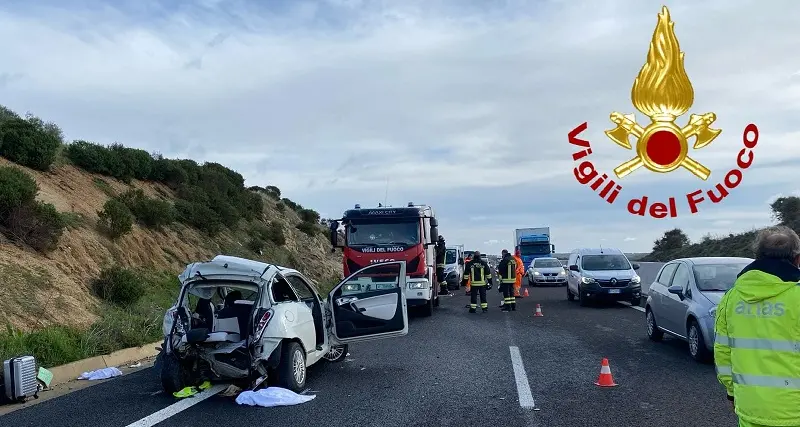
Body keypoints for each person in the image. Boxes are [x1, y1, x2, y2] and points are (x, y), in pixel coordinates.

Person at [714, 225, 800, 427]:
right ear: (797, 259)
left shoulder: (731, 298)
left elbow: (723, 354)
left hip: (750, 406)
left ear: (758, 257)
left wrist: (731, 393)